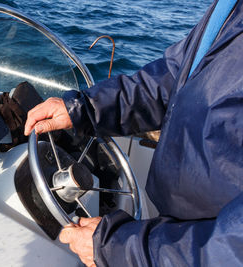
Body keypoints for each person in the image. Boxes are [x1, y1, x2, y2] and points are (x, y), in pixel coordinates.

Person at [24, 0, 243, 266]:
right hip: (174, 227)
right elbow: (176, 75)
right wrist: (86, 108)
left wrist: (119, 247)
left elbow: (232, 249)